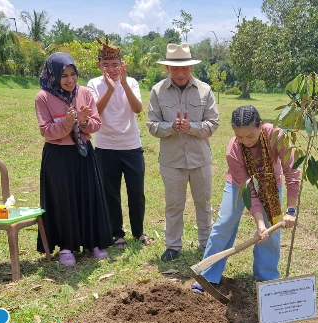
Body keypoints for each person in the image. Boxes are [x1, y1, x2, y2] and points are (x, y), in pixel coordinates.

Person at [191, 105, 300, 292]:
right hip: (239, 185)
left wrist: (290, 210)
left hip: (271, 183)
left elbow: (292, 173)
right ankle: (207, 276)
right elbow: (249, 190)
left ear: (260, 125)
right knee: (223, 225)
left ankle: (266, 278)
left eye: (250, 136)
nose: (246, 141)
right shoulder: (233, 150)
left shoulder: (278, 137)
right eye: (240, 137)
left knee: (271, 232)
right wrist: (259, 224)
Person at [35, 52, 113, 266]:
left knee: (89, 196)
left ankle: (93, 243)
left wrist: (85, 122)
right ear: (53, 77)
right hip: (58, 157)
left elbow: (96, 124)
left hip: (84, 154)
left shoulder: (85, 93)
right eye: (64, 76)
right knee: (63, 200)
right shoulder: (43, 97)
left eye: (73, 74)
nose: (70, 80)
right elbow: (47, 131)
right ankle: (66, 247)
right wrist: (69, 122)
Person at [147, 43, 219, 262]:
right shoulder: (157, 91)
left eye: (184, 68)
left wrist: (192, 128)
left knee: (203, 204)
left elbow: (214, 123)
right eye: (174, 68)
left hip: (200, 160)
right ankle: (173, 246)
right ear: (167, 68)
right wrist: (172, 127)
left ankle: (206, 244)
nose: (180, 73)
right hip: (172, 162)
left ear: (191, 68)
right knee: (174, 205)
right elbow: (151, 125)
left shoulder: (205, 90)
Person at [87, 36, 153, 250]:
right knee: (110, 193)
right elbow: (95, 111)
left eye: (115, 65)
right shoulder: (93, 85)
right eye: (105, 65)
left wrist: (123, 84)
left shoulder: (131, 82)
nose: (111, 69)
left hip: (131, 145)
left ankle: (138, 231)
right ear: (99, 66)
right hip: (105, 147)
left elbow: (138, 109)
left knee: (136, 192)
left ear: (122, 65)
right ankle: (117, 234)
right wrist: (109, 88)